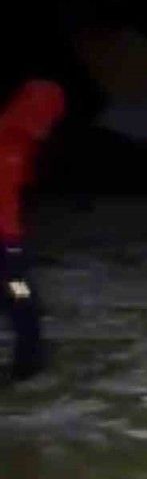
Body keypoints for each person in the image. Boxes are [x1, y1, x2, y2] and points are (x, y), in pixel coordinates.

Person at [0, 79, 67, 381]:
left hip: (10, 242)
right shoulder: (8, 141)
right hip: (6, 246)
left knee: (21, 300)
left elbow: (21, 190)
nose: (50, 121)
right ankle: (27, 365)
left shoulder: (22, 145)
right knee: (22, 298)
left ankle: (28, 362)